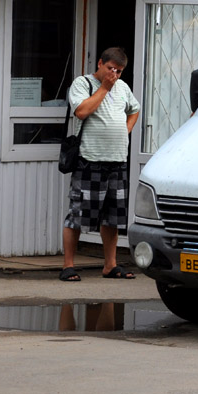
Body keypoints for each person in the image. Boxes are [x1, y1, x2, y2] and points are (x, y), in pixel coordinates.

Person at [60, 47, 141, 282]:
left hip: (117, 160)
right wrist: (105, 88)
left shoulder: (123, 87)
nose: (113, 74)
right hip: (90, 160)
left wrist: (125, 130)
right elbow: (82, 112)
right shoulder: (82, 83)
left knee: (113, 217)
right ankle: (68, 266)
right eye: (110, 69)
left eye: (119, 71)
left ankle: (110, 265)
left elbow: (135, 110)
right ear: (99, 64)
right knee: (78, 214)